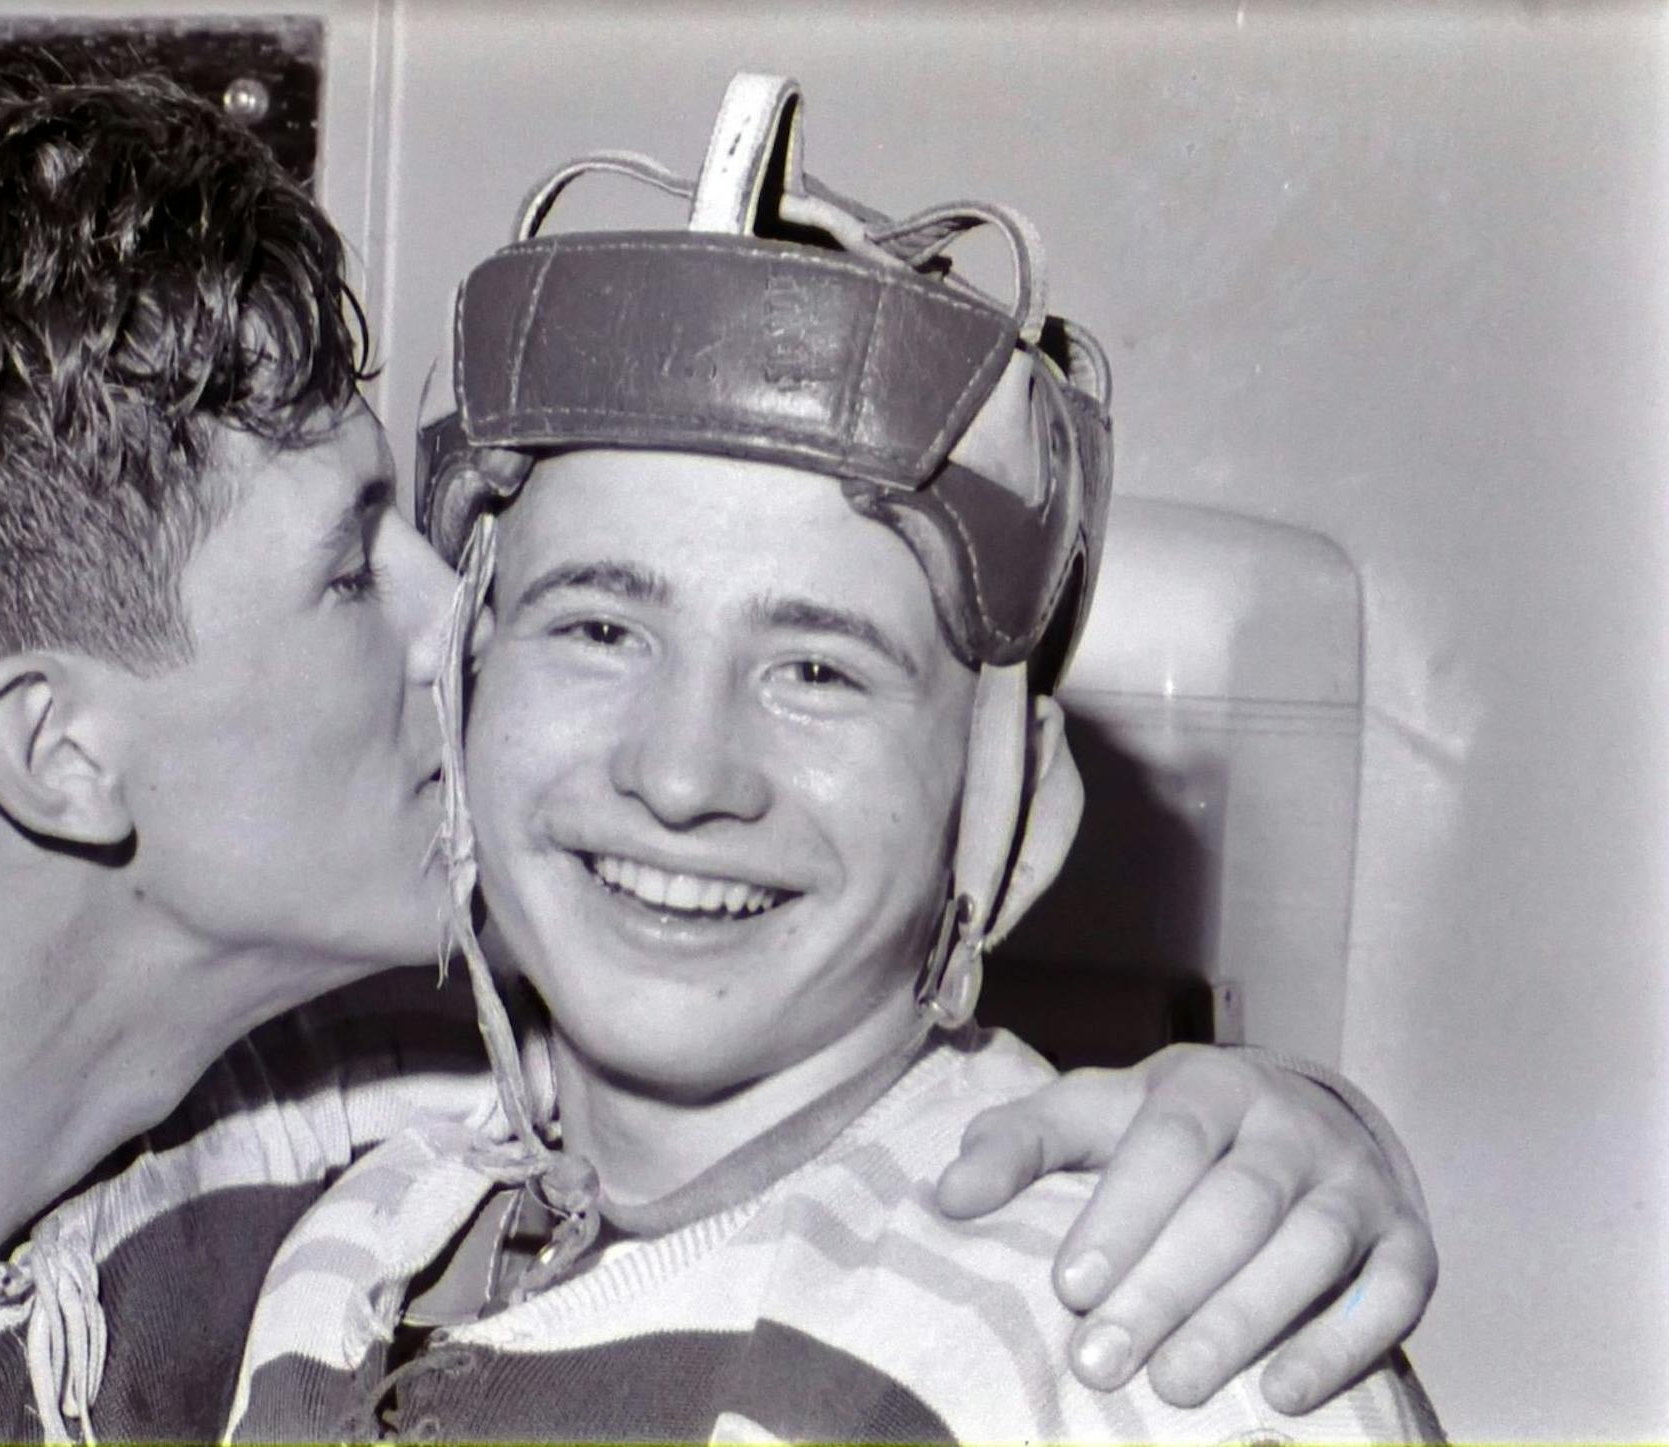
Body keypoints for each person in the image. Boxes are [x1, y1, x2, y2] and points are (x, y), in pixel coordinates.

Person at [0, 75, 1428, 1442]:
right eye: (359, 571)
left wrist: (1286, 1142)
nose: (472, 632)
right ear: (61, 759)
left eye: (820, 666)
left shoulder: (332, 1103)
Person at [227, 74, 1441, 1442]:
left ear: (1015, 817)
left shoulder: (1143, 1336)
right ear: (465, 692)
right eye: (602, 626)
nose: (683, 775)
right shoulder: (352, 1232)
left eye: (818, 671)